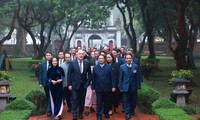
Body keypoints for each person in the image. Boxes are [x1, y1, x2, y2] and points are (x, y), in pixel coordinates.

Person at [67, 49, 92, 120]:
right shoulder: (72, 63)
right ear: (76, 55)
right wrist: (69, 84)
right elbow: (69, 74)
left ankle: (80, 113)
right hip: (74, 85)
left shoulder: (87, 62)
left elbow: (90, 75)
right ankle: (74, 114)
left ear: (84, 55)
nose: (81, 55)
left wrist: (87, 84)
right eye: (79, 54)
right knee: (74, 99)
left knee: (82, 100)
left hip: (83, 85)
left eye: (82, 54)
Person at [92, 54, 116, 120]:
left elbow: (112, 78)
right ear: (98, 59)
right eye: (99, 58)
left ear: (104, 59)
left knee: (107, 102)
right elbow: (93, 78)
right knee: (99, 102)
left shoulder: (109, 67)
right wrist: (93, 88)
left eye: (102, 58)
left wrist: (113, 86)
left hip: (107, 87)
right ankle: (99, 115)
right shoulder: (95, 67)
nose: (101, 59)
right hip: (98, 88)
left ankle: (106, 113)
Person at [119, 53, 141, 120]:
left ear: (132, 59)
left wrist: (138, 86)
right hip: (125, 86)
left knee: (133, 100)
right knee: (126, 101)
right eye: (127, 58)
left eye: (129, 58)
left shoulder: (135, 66)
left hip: (133, 86)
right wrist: (121, 87)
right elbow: (121, 78)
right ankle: (127, 113)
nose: (128, 59)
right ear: (125, 59)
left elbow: (138, 77)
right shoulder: (122, 67)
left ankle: (132, 111)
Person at [38, 51, 53, 117]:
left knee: (52, 96)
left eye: (49, 55)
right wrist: (40, 83)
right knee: (48, 96)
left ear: (51, 56)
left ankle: (50, 110)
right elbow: (40, 74)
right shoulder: (42, 64)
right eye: (47, 55)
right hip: (45, 83)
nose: (48, 56)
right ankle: (49, 109)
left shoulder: (54, 63)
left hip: (53, 83)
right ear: (45, 56)